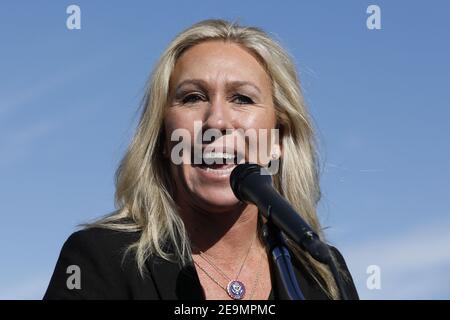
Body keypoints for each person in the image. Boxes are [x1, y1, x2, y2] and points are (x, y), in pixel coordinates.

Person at [44, 19, 358, 300]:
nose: (217, 121)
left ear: (277, 140)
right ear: (165, 138)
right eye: (192, 97)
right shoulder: (99, 259)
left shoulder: (323, 274)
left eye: (242, 99)